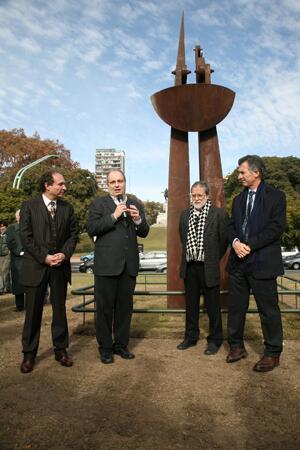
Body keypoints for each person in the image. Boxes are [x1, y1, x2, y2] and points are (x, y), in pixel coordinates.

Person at [226, 155, 286, 372]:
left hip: (262, 263)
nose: (239, 176)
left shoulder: (276, 196)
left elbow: (276, 227)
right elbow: (231, 225)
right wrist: (234, 243)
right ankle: (236, 346)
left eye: (242, 172)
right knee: (236, 309)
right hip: (238, 264)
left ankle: (272, 353)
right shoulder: (237, 200)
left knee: (268, 311)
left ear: (256, 173)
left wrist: (248, 245)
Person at [19, 170, 79, 374]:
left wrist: (64, 253)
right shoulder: (29, 206)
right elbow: (26, 237)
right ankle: (29, 355)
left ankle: (61, 351)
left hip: (60, 268)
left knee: (59, 311)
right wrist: (44, 257)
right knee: (33, 312)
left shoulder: (67, 208)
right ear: (47, 185)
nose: (64, 187)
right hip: (36, 266)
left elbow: (73, 236)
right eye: (61, 184)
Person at [87, 169, 149, 364]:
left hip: (128, 266)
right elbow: (92, 228)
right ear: (108, 185)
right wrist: (113, 216)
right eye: (112, 181)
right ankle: (105, 348)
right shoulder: (98, 204)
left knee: (124, 310)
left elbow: (145, 232)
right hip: (106, 266)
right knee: (104, 310)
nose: (116, 184)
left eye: (120, 181)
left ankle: (121, 345)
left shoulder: (135, 203)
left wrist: (138, 219)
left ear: (125, 182)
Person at [177, 181, 228, 355]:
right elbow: (183, 238)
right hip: (190, 266)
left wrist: (212, 258)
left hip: (209, 266)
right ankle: (190, 337)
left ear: (207, 196)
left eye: (200, 195)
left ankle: (215, 340)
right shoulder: (185, 215)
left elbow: (223, 242)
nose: (197, 198)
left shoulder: (219, 214)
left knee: (213, 306)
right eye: (194, 195)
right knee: (191, 306)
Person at [6, 210, 25, 311]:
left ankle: (32, 304)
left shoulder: (30, 227)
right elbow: (10, 242)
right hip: (17, 259)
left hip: (30, 258)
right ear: (16, 217)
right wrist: (20, 252)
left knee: (31, 283)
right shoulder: (11, 228)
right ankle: (20, 305)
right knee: (18, 283)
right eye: (19, 215)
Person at [0, 221, 11, 295]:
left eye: (3, 227)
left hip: (7, 255)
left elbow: (11, 242)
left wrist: (10, 251)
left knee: (5, 272)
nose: (2, 228)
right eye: (1, 227)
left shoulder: (9, 234)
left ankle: (3, 289)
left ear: (6, 227)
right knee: (2, 273)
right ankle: (7, 287)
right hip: (0, 255)